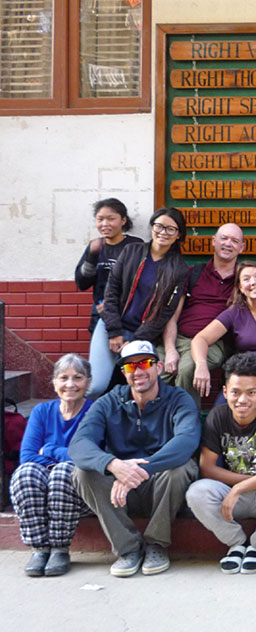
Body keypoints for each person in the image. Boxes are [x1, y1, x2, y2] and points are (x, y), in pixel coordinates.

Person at [69, 340, 201, 577]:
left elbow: (186, 442)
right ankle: (128, 549)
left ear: (158, 367)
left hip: (161, 487)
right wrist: (114, 465)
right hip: (120, 493)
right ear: (124, 373)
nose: (138, 371)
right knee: (82, 472)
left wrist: (138, 472)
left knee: (180, 468)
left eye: (144, 363)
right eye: (130, 367)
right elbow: (79, 444)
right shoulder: (109, 402)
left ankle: (156, 545)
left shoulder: (178, 399)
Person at [185, 353, 256, 575]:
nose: (242, 400)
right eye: (235, 392)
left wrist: (241, 487)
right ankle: (237, 543)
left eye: (251, 393)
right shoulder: (218, 416)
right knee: (196, 492)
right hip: (232, 495)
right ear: (225, 392)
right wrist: (239, 486)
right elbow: (207, 467)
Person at [88, 208, 190, 399]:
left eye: (170, 229)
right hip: (111, 327)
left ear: (178, 235)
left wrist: (134, 341)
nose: (163, 232)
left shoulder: (179, 269)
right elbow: (112, 290)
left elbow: (164, 313)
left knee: (127, 389)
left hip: (142, 336)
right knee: (95, 387)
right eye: (159, 226)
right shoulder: (132, 251)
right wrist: (114, 332)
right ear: (152, 227)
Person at [10, 354, 95, 577]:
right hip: (47, 489)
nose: (70, 384)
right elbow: (27, 456)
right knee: (27, 473)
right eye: (63, 377)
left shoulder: (95, 411)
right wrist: (62, 459)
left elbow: (87, 457)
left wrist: (48, 450)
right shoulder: (41, 411)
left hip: (81, 493)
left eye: (78, 378)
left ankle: (59, 548)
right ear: (54, 382)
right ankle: (39, 549)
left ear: (88, 382)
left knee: (63, 473)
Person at [190, 261, 256, 408]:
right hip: (242, 382)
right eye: (246, 279)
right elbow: (200, 339)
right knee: (220, 409)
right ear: (240, 288)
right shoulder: (235, 313)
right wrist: (201, 365)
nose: (253, 282)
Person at [159, 223, 245, 407]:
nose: (228, 244)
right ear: (214, 241)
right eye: (224, 238)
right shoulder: (193, 273)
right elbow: (172, 316)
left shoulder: (243, 278)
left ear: (241, 247)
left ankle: (188, 427)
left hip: (214, 343)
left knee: (187, 369)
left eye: (235, 241)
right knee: (151, 370)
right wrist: (170, 349)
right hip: (179, 339)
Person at [74, 198, 143, 335]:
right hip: (100, 315)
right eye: (100, 219)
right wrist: (92, 256)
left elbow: (141, 281)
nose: (105, 224)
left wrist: (113, 305)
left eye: (111, 219)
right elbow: (82, 283)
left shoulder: (135, 245)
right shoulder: (95, 246)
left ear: (123, 220)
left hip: (128, 316)